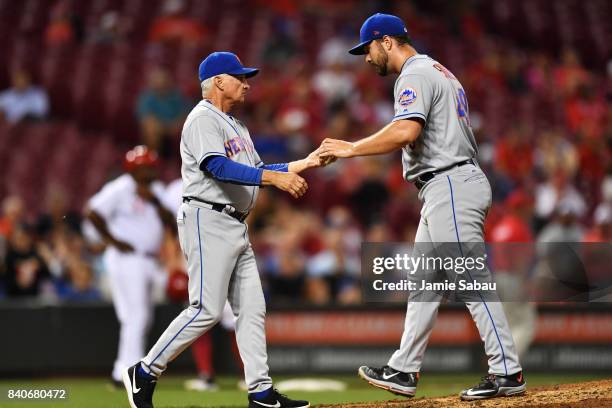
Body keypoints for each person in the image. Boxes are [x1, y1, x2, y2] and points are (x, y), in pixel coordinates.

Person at [320, 13, 525, 401]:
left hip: (449, 182)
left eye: (367, 49)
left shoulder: (412, 74)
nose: (366, 58)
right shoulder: (438, 70)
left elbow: (406, 130)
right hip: (446, 184)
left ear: (385, 42)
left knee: (469, 277)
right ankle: (404, 370)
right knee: (425, 285)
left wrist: (351, 148)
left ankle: (506, 371)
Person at [122, 51, 325, 408]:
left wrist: (301, 163)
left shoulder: (235, 123)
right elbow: (215, 166)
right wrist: (274, 178)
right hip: (207, 217)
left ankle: (260, 393)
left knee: (252, 308)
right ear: (217, 81)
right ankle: (143, 372)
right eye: (239, 77)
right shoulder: (202, 118)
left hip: (233, 223)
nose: (246, 84)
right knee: (205, 310)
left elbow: (257, 169)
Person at [86, 146, 175, 388]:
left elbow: (171, 221)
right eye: (143, 167)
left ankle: (121, 372)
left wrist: (154, 200)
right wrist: (112, 240)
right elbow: (92, 212)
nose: (148, 171)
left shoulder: (156, 190)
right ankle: (129, 373)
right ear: (133, 169)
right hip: (126, 258)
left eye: (150, 167)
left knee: (139, 319)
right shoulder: (121, 187)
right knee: (136, 317)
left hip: (148, 260)